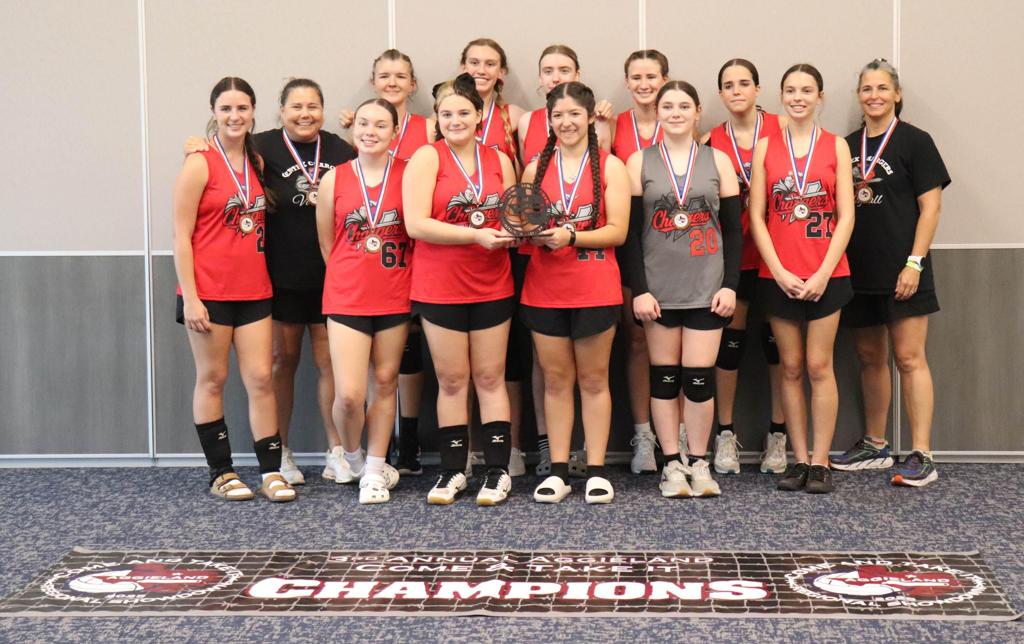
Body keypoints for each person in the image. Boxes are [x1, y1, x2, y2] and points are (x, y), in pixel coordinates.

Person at [184, 79, 356, 486]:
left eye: (313, 106)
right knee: (278, 365)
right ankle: (282, 453)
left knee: (329, 364)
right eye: (296, 106)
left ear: (323, 110)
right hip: (277, 276)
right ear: (280, 111)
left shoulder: (340, 150)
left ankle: (337, 452)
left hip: (331, 275)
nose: (304, 113)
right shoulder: (260, 148)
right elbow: (219, 155)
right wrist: (197, 145)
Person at [172, 77, 295, 503]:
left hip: (254, 291)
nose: (234, 116)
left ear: (253, 111)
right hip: (208, 293)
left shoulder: (256, 161)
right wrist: (190, 297)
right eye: (226, 109)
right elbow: (180, 236)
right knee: (213, 378)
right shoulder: (199, 163)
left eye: (242, 108)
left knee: (261, 379)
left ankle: (271, 472)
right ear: (214, 113)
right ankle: (221, 472)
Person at [832, 59, 950, 487]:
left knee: (909, 358)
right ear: (859, 96)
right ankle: (876, 445)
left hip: (905, 270)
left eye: (883, 88)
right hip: (859, 271)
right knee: (870, 358)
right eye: (867, 89)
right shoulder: (846, 146)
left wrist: (914, 263)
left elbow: (931, 208)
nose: (874, 95)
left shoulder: (916, 142)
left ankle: (922, 454)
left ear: (897, 94)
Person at [402, 73, 517, 506]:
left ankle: (497, 472)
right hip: (440, 286)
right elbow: (416, 224)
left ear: (479, 115)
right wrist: (475, 236)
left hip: (492, 283)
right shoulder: (426, 158)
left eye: (464, 112)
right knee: (452, 381)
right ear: (436, 118)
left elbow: (512, 216)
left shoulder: (499, 159)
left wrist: (515, 232)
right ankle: (453, 471)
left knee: (490, 377)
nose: (455, 120)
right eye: (447, 113)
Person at [624, 80, 742, 498]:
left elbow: (734, 231)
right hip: (657, 290)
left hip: (707, 287)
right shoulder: (638, 161)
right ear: (658, 112)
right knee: (664, 378)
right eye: (668, 106)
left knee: (698, 380)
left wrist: (730, 285)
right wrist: (639, 290)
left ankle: (698, 461)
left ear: (697, 112)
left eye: (683, 106)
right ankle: (672, 463)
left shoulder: (718, 160)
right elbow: (630, 235)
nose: (675, 113)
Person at [748, 64, 856, 494]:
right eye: (791, 90)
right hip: (779, 274)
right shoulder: (766, 147)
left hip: (828, 272)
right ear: (781, 97)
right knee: (790, 367)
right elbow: (757, 215)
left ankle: (821, 461)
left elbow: (846, 215)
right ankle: (799, 459)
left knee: (818, 365)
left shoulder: (836, 146)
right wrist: (777, 270)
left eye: (806, 90)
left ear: (820, 97)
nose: (798, 97)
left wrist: (824, 272)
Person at [521, 82, 630, 504]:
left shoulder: (611, 166)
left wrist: (572, 237)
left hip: (595, 288)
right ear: (549, 121)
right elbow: (524, 226)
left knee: (594, 379)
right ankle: (559, 471)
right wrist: (527, 234)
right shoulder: (534, 169)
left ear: (589, 118)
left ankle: (597, 470)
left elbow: (617, 231)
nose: (566, 122)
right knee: (555, 380)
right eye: (558, 115)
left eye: (574, 114)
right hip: (544, 289)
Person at [338, 50, 435, 476]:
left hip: (406, 275)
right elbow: (330, 238)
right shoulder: (346, 157)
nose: (392, 82)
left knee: (394, 372)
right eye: (384, 75)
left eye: (400, 76)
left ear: (413, 84)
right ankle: (360, 453)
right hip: (356, 283)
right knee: (355, 386)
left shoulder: (426, 132)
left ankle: (399, 447)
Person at [316, 99, 411, 503]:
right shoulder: (334, 179)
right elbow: (327, 242)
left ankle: (374, 469)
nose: (371, 131)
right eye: (364, 123)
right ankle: (353, 457)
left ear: (395, 132)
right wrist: (350, 276)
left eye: (381, 125)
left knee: (386, 383)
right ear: (353, 128)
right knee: (350, 395)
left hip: (395, 295)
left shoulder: (409, 174)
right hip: (347, 297)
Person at [703, 59, 788, 476]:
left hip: (779, 256)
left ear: (757, 89)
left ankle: (779, 434)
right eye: (728, 85)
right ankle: (725, 433)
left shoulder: (783, 128)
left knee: (779, 348)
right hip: (734, 257)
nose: (736, 91)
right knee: (729, 348)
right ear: (721, 93)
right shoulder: (709, 139)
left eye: (744, 83)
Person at [609, 50, 681, 475]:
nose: (644, 84)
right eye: (636, 77)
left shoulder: (680, 120)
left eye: (651, 76)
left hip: (676, 247)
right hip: (630, 246)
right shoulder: (612, 125)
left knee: (681, 346)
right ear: (627, 82)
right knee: (637, 342)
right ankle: (644, 435)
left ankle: (682, 436)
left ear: (665, 79)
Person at [459, 38, 524, 164]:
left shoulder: (515, 116)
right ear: (464, 68)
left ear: (501, 72)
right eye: (474, 63)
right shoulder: (443, 116)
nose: (481, 71)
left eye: (490, 64)